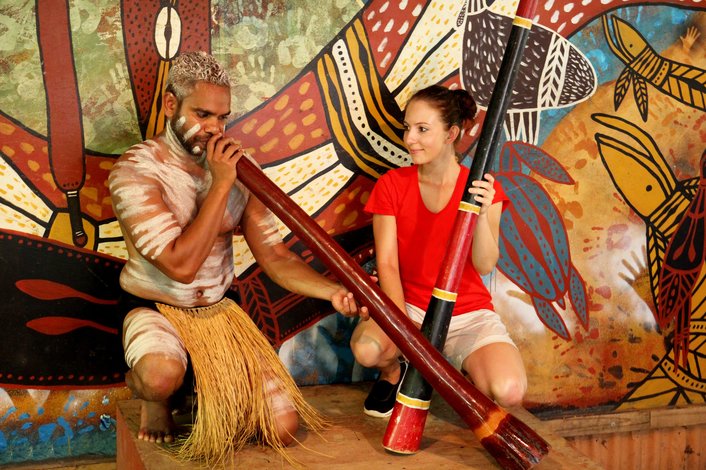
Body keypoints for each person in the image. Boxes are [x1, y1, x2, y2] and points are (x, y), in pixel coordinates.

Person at [108, 51, 365, 463]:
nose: (215, 128)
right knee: (158, 377)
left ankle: (200, 390)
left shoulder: (237, 169)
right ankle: (156, 397)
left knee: (282, 427)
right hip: (156, 307)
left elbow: (275, 256)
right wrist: (221, 184)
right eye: (202, 115)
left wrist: (331, 291)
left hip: (218, 312)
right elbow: (180, 267)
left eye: (222, 117)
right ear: (171, 105)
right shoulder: (136, 171)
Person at [349, 84, 526, 417]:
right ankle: (395, 372)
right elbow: (387, 264)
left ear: (451, 134)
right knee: (367, 349)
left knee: (509, 390)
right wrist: (403, 329)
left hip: (467, 313)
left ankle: (463, 368)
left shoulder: (483, 188)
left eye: (422, 129)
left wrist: (482, 213)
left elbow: (485, 264)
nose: (409, 139)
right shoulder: (392, 184)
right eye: (407, 128)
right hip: (409, 307)